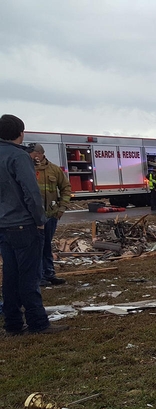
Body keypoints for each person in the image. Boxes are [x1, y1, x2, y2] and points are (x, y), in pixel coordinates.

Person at [0, 114, 68, 335]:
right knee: (29, 277)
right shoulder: (19, 157)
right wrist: (40, 221)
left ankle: (12, 324)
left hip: (4, 227)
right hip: (24, 226)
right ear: (21, 133)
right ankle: (38, 323)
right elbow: (31, 192)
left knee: (10, 276)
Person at [28, 143, 71, 286]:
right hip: (32, 217)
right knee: (35, 247)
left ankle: (49, 274)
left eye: (33, 154)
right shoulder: (26, 169)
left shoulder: (54, 170)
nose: (31, 156)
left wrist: (61, 208)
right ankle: (38, 276)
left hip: (50, 216)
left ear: (40, 154)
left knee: (46, 245)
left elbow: (66, 188)